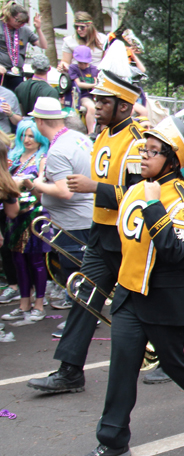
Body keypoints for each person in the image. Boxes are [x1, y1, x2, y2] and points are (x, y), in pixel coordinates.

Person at [74, 112, 184, 456]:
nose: (143, 156)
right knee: (122, 365)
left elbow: (173, 251)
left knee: (178, 363)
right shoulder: (137, 187)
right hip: (129, 295)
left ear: (171, 160)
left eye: (152, 152)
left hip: (166, 298)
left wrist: (155, 204)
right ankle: (112, 440)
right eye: (144, 149)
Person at [27, 77, 149, 394]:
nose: (96, 106)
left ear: (124, 105)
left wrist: (95, 188)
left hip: (125, 239)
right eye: (95, 100)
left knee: (143, 307)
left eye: (103, 101)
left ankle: (173, 358)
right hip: (99, 234)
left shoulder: (137, 141)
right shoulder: (102, 133)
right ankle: (69, 371)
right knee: (85, 298)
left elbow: (142, 197)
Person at [1, 138, 45, 323]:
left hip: (33, 217)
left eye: (31, 135)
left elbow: (40, 195)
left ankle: (39, 304)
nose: (27, 139)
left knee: (36, 261)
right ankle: (24, 303)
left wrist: (28, 184)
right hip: (15, 219)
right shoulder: (14, 162)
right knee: (18, 261)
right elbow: (12, 211)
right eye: (23, 135)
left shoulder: (43, 158)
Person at [0, 4, 47, 90]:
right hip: (1, 71)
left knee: (16, 99)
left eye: (23, 23)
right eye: (18, 21)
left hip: (16, 73)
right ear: (9, 15)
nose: (20, 24)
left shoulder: (24, 30)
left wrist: (38, 29)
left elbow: (43, 45)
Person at [68, 46, 98, 132]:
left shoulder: (93, 69)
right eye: (80, 63)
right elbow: (79, 84)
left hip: (94, 95)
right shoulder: (73, 68)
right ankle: (90, 132)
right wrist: (93, 85)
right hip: (82, 96)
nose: (83, 65)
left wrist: (95, 85)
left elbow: (96, 82)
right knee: (92, 108)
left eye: (86, 63)